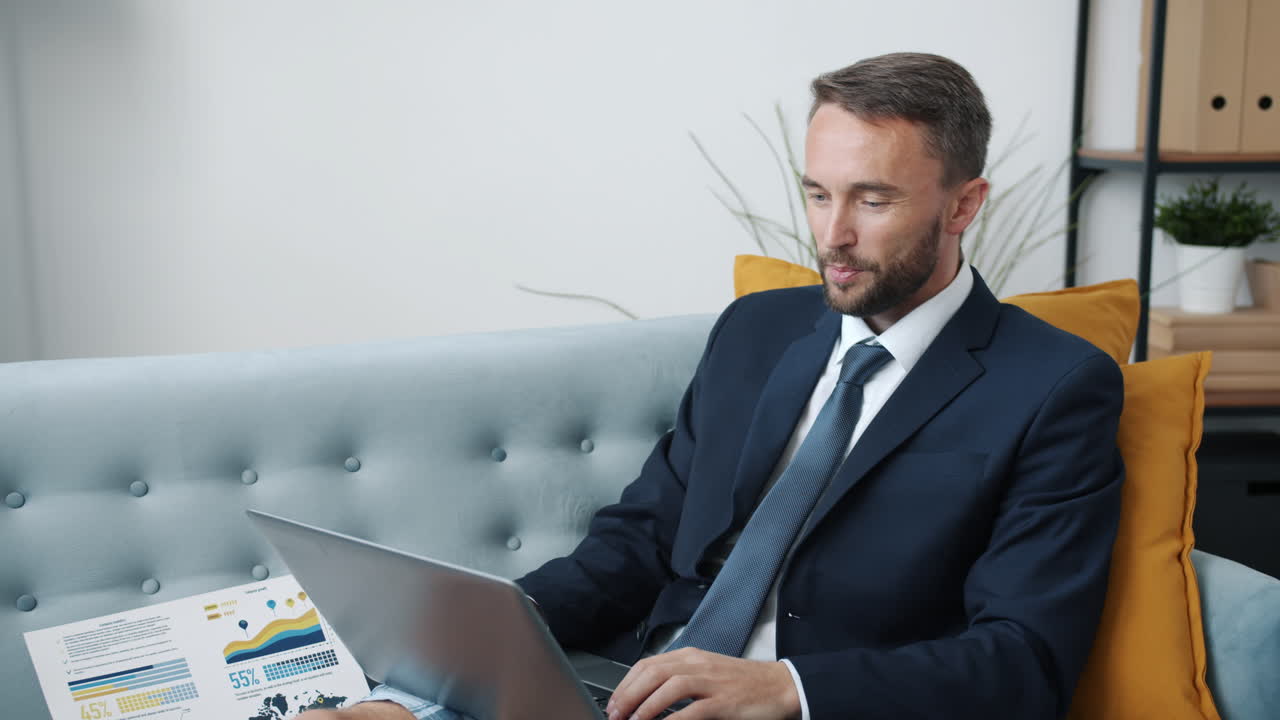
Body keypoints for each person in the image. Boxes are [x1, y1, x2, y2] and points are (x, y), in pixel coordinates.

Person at [300, 52, 1124, 720]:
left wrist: (787, 690)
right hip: (630, 691)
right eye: (817, 193)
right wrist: (442, 672)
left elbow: (1024, 659)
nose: (833, 236)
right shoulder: (756, 331)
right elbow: (638, 544)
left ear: (963, 205)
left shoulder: (1053, 387)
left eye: (874, 200)